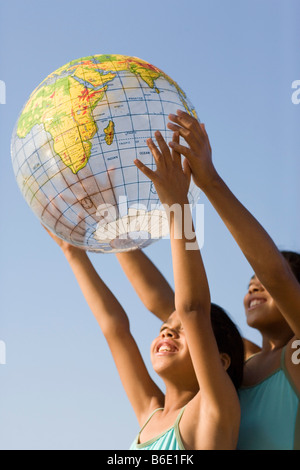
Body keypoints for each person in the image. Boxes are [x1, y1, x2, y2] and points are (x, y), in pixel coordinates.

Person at [45, 131, 244, 450]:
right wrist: (73, 253)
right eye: (165, 329)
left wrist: (178, 207)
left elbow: (193, 309)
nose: (167, 334)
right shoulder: (150, 414)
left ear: (220, 362)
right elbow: (115, 331)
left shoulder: (213, 409)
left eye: (179, 332)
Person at [165, 110, 300, 450]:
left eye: (262, 283)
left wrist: (208, 182)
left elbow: (278, 276)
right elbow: (174, 305)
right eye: (249, 282)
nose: (255, 285)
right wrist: (104, 234)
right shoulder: (243, 362)